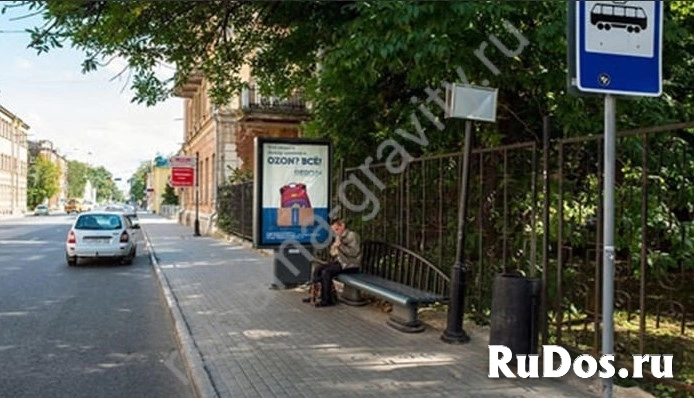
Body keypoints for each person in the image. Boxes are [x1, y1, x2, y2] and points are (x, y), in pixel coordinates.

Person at [304, 218, 362, 307]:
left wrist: (340, 246)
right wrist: (334, 248)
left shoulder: (352, 236)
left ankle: (326, 299)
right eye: (334, 231)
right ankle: (314, 295)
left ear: (342, 226)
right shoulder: (338, 237)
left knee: (326, 272)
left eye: (337, 229)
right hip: (340, 262)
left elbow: (354, 252)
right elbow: (333, 254)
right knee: (318, 268)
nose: (335, 232)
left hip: (350, 264)